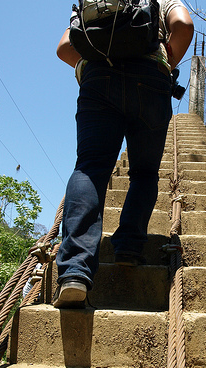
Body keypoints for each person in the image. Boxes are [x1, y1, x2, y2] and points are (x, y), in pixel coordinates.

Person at [53, 0, 194, 308]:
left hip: (98, 78)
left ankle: (74, 272)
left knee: (90, 168)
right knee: (144, 173)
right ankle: (129, 248)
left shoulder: (93, 1)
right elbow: (183, 26)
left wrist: (87, 65)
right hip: (152, 77)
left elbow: (65, 47)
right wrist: (164, 62)